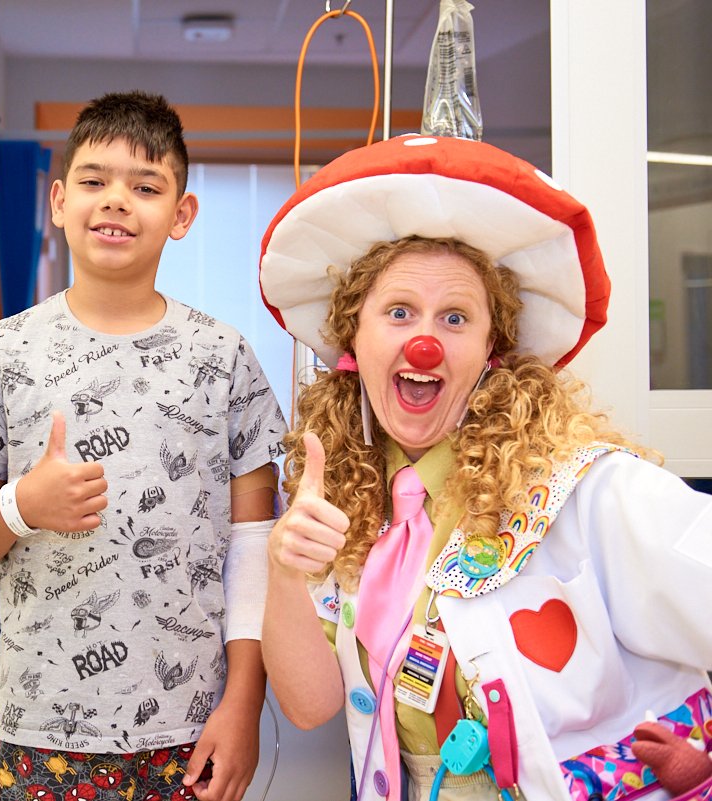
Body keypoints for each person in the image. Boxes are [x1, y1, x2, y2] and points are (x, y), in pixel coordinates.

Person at [257, 135, 712, 801]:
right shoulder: (343, 499)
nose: (425, 339)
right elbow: (310, 705)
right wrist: (281, 567)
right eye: (400, 311)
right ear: (353, 336)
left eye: (456, 316)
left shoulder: (584, 490)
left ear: (491, 350)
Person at [0, 91, 287, 801]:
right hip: (42, 727)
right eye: (94, 181)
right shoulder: (0, 355)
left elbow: (254, 545)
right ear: (59, 201)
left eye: (146, 186)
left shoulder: (226, 358)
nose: (116, 200)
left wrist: (244, 702)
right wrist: (23, 506)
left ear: (181, 215)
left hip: (191, 725)